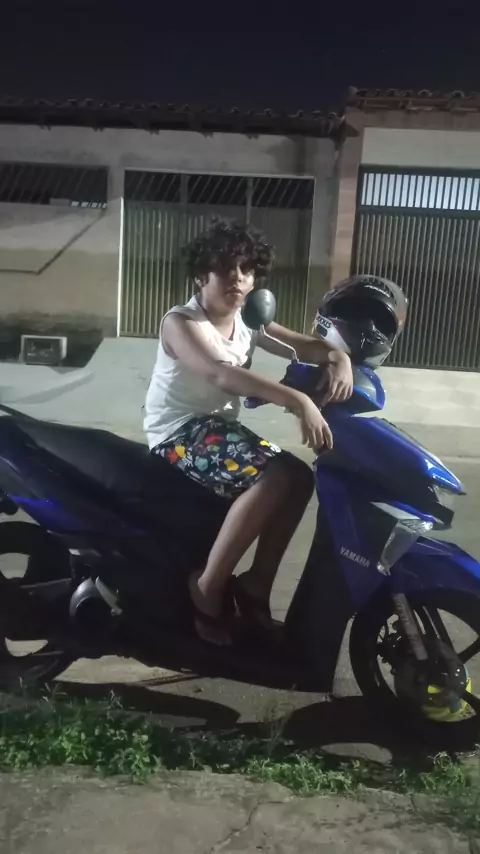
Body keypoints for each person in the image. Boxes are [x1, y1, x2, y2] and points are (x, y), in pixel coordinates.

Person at [144, 218, 353, 645]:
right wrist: (298, 400)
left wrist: (339, 358)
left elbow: (303, 344)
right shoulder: (182, 323)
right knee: (273, 476)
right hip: (177, 432)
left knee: (299, 477)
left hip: (216, 430)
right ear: (201, 275)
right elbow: (221, 374)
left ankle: (256, 586)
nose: (237, 278)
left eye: (246, 269)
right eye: (225, 268)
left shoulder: (247, 321)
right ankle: (207, 587)